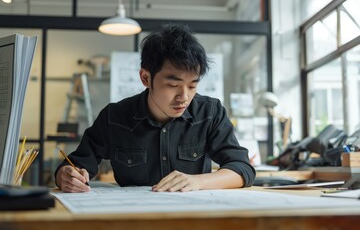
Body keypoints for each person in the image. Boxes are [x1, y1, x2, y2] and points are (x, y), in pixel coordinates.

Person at [55, 23, 256, 193]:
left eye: (192, 85)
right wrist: (66, 176)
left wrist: (197, 181)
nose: (184, 97)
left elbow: (242, 168)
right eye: (173, 85)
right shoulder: (114, 117)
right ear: (146, 78)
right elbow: (75, 165)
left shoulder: (209, 112)